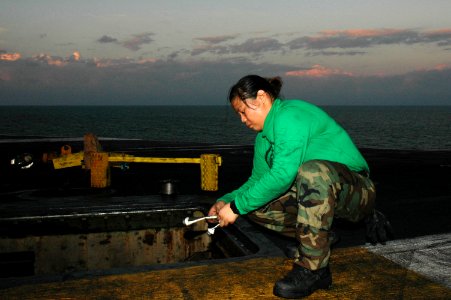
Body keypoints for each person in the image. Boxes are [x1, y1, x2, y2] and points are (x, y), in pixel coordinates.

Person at [208, 75, 392, 298]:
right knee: (255, 203)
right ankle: (317, 242)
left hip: (356, 189)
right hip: (322, 193)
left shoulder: (289, 115)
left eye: (243, 111)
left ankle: (314, 269)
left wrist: (236, 208)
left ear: (261, 97)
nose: (241, 119)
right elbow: (257, 182)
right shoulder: (263, 139)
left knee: (311, 172)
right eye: (238, 114)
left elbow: (283, 175)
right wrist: (226, 201)